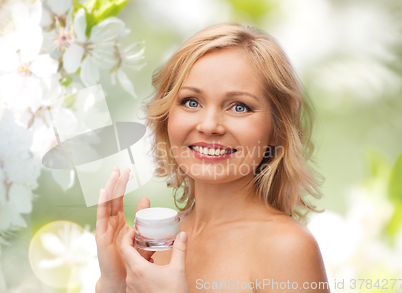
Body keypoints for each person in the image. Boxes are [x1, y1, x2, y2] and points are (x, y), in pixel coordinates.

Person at [95, 23, 330, 293]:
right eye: (191, 102)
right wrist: (113, 283)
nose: (209, 125)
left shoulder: (285, 247)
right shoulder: (152, 243)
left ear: (277, 130)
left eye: (239, 107)